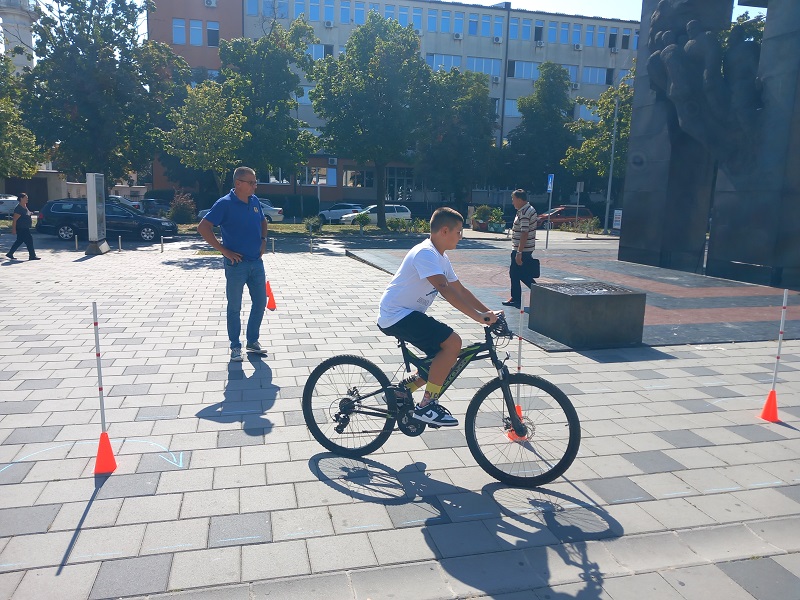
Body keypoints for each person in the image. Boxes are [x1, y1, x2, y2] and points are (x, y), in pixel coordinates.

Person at [377, 207, 499, 427]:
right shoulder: (426, 253)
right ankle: (427, 406)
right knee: (453, 343)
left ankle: (401, 390)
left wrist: (488, 313)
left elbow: (460, 290)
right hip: (397, 314)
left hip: (407, 314)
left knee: (444, 359)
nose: (461, 236)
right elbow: (446, 290)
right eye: (459, 232)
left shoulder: (441, 257)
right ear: (445, 231)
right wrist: (478, 317)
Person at [198, 167, 269, 362]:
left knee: (261, 302)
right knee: (234, 307)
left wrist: (263, 240)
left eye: (255, 182)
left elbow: (263, 221)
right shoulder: (225, 204)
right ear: (238, 184)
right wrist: (224, 250)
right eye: (251, 182)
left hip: (256, 263)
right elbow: (203, 227)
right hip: (236, 265)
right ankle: (235, 346)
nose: (255, 186)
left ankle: (252, 341)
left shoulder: (254, 201)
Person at [502, 189, 538, 309]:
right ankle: (516, 298)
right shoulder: (524, 210)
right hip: (523, 248)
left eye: (513, 199)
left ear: (519, 199)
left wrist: (519, 252)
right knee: (517, 274)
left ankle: (539, 293)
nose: (512, 202)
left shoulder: (525, 212)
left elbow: (524, 233)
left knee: (520, 274)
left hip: (523, 249)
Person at [6, 193, 40, 261]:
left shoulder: (24, 206)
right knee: (29, 240)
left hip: (25, 227)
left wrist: (32, 213)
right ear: (21, 199)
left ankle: (10, 253)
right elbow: (15, 219)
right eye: (26, 198)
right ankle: (32, 256)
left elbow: (27, 213)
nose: (27, 199)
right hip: (21, 228)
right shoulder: (18, 208)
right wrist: (14, 229)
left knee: (19, 241)